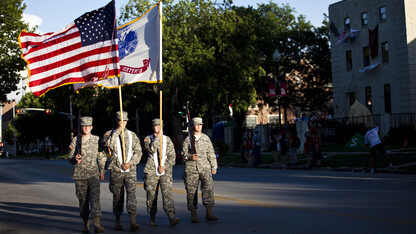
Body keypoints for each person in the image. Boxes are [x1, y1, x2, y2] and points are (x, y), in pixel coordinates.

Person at [104, 111, 142, 232]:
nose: (123, 123)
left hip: (130, 169)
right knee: (117, 195)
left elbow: (138, 152)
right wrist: (117, 132)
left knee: (131, 194)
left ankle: (133, 222)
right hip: (116, 169)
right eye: (121, 120)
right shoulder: (109, 134)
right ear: (116, 121)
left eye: (125, 121)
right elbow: (108, 145)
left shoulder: (132, 135)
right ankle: (118, 218)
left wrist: (130, 163)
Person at [68, 116, 106, 233]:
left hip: (93, 174)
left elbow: (101, 156)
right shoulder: (76, 140)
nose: (86, 128)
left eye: (88, 126)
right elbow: (70, 157)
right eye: (84, 126)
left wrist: (102, 170)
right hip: (80, 175)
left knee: (95, 199)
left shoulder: (96, 140)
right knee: (83, 201)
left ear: (91, 127)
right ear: (81, 127)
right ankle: (86, 224)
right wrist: (75, 159)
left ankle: (97, 224)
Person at [143, 119, 180, 227]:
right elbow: (150, 150)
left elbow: (172, 157)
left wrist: (164, 166)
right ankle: (152, 217)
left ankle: (171, 217)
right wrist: (157, 138)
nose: (159, 127)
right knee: (151, 196)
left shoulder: (167, 140)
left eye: (160, 126)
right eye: (156, 126)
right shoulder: (147, 139)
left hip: (165, 172)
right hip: (151, 171)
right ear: (153, 127)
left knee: (167, 194)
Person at [182, 117, 218, 223]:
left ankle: (209, 213)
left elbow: (211, 153)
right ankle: (193, 214)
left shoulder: (206, 138)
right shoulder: (188, 139)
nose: (199, 126)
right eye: (196, 124)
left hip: (205, 167)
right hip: (191, 169)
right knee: (191, 192)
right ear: (192, 126)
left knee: (208, 188)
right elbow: (182, 154)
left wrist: (214, 166)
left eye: (200, 124)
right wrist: (190, 156)